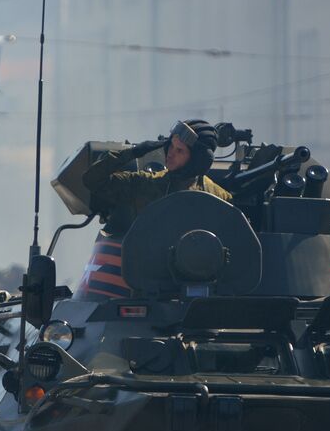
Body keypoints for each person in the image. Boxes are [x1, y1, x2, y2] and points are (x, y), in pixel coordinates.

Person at [78, 119, 232, 300]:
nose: (170, 154)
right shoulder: (146, 184)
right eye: (171, 147)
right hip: (148, 289)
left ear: (197, 160)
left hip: (203, 288)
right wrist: (132, 152)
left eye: (179, 150)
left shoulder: (219, 198)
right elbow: (92, 180)